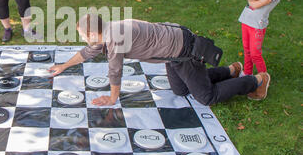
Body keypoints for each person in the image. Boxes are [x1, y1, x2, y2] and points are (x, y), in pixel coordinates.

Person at [49, 14, 269, 106]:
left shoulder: (115, 38)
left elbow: (115, 71)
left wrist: (113, 98)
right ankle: (230, 71)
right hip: (174, 52)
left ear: (91, 34)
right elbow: (87, 53)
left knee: (205, 97)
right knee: (181, 91)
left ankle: (257, 81)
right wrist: (64, 66)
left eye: (82, 36)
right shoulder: (107, 30)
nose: (83, 40)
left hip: (185, 52)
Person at [238, 0, 287, 100]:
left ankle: (262, 78)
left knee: (255, 54)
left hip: (257, 26)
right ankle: (247, 74)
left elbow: (253, 3)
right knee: (246, 50)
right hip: (246, 21)